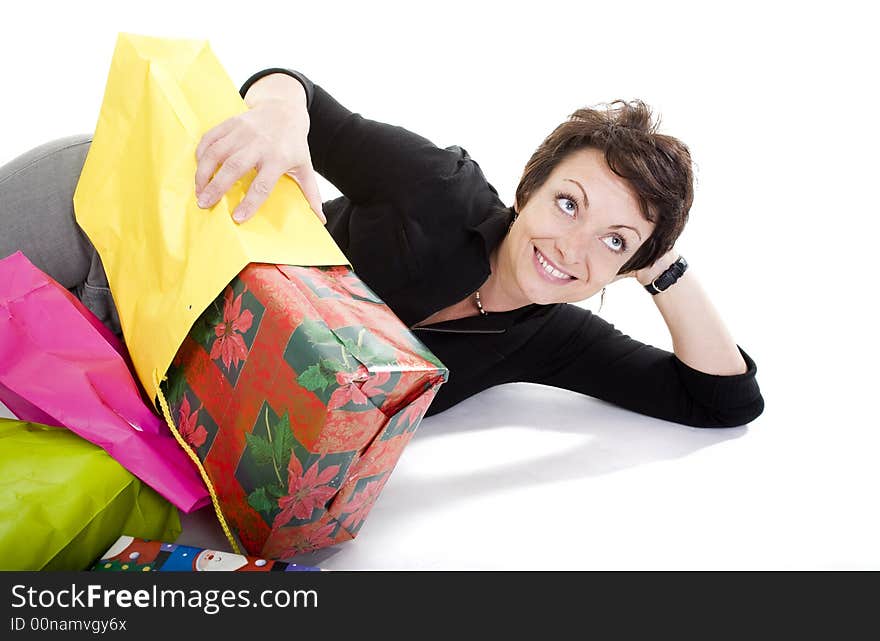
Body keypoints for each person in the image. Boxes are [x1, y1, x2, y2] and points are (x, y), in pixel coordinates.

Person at [0, 68, 764, 428]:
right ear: (530, 184)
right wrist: (273, 115)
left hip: (132, 380)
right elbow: (294, 88)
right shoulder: (439, 189)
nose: (571, 246)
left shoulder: (548, 339)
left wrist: (660, 260)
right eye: (569, 202)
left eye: (613, 241)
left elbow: (721, 399)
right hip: (110, 230)